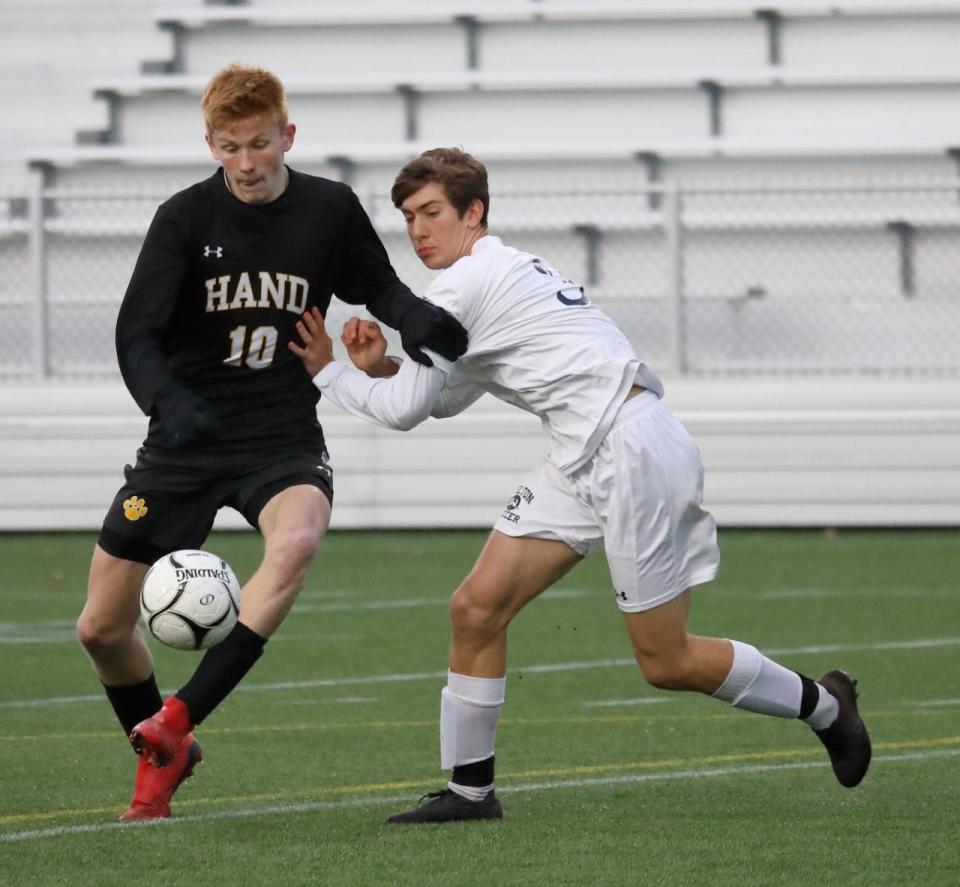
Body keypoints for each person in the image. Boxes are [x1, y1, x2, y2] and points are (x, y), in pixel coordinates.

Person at [289, 147, 872, 824]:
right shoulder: (495, 271)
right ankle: (470, 791)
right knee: (475, 608)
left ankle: (828, 705)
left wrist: (329, 371)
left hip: (630, 448)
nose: (418, 230)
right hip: (586, 447)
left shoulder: (461, 285)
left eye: (432, 213)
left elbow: (406, 412)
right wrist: (385, 363)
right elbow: (443, 396)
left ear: (473, 212)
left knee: (666, 659)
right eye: (409, 217)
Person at [76, 67, 468, 823]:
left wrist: (412, 318)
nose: (248, 163)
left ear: (288, 135)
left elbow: (378, 286)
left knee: (296, 542)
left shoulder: (328, 208)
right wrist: (168, 399)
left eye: (260, 144)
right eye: (231, 147)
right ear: (211, 144)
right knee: (98, 627)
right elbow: (136, 334)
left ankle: (175, 724)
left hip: (280, 434)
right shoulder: (184, 218)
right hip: (186, 439)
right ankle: (170, 742)